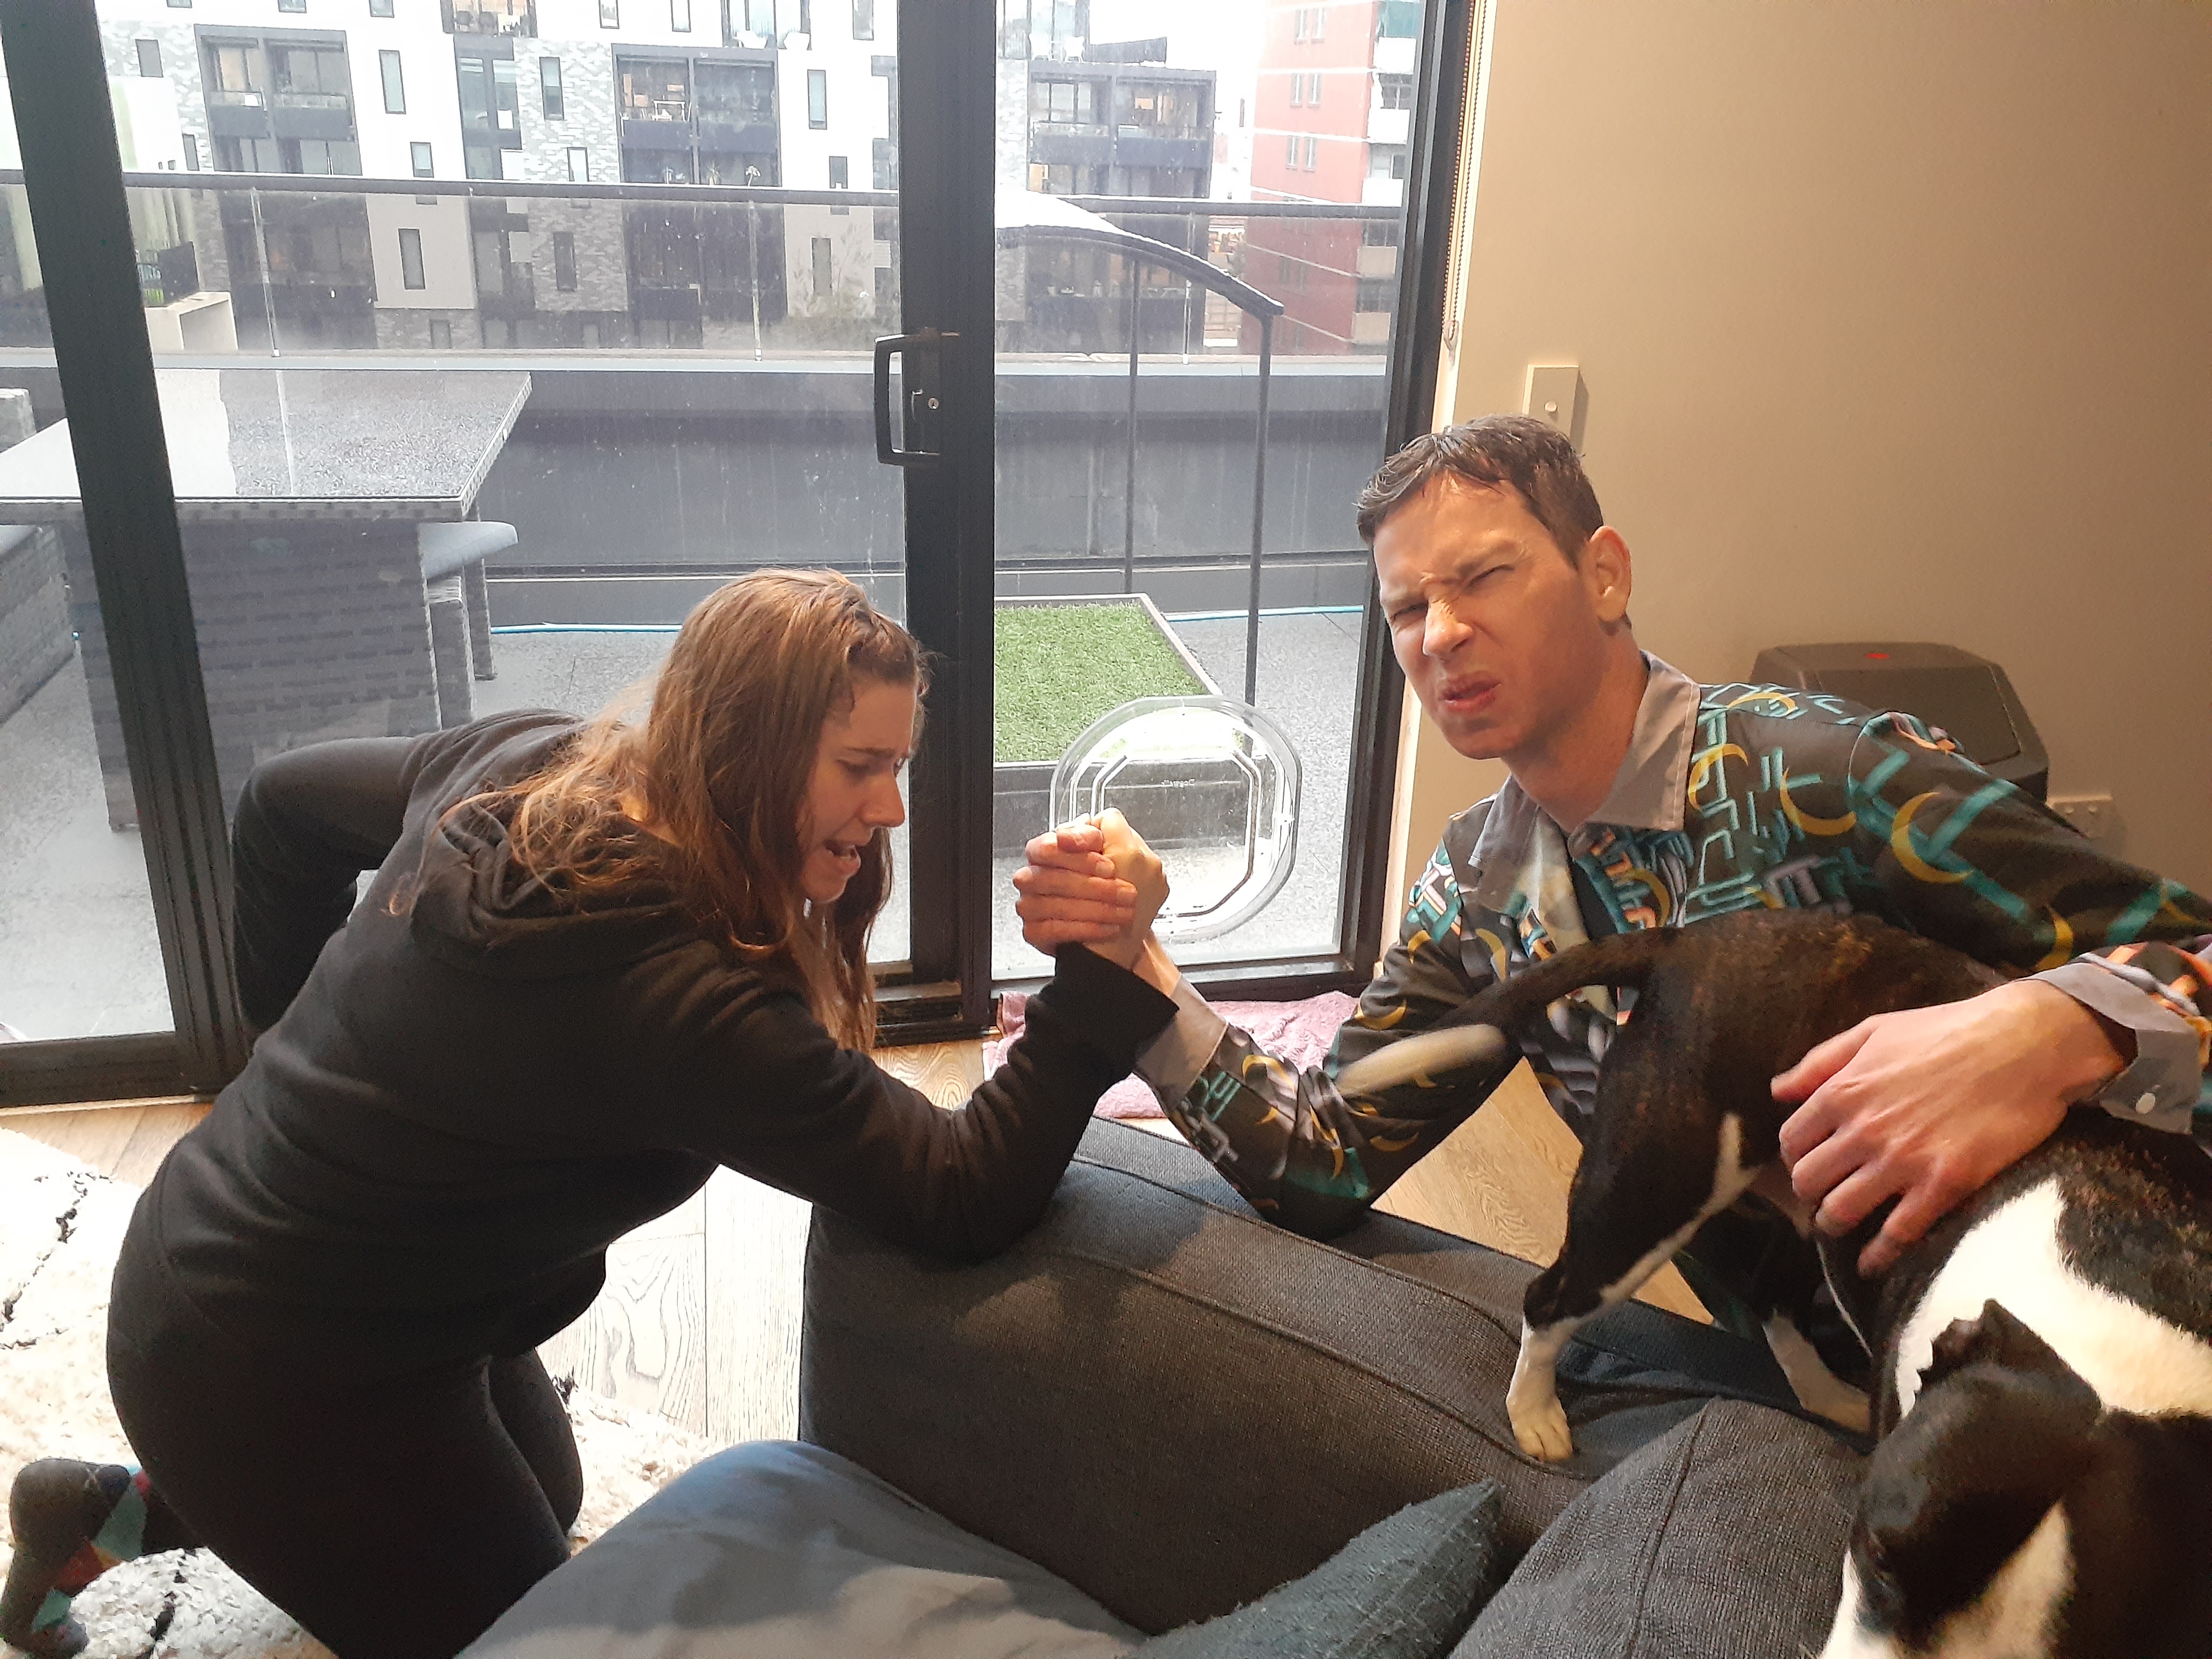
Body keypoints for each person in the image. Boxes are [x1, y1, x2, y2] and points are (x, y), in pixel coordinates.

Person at [2, 570, 1172, 1659]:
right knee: (529, 1632)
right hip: (257, 1361)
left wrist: (289, 1050)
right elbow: (961, 1191)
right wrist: (1106, 973)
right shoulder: (685, 996)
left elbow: (278, 809)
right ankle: (189, 1495)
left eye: (898, 763)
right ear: (746, 745)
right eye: (862, 766)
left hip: (318, 1280)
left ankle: (114, 1512)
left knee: (549, 1499)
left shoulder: (538, 759)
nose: (894, 808)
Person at [1015, 414, 2210, 1348]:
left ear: (1604, 575)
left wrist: (2058, 1029)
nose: (1440, 635)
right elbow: (1320, 1162)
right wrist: (1138, 966)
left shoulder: (1830, 776)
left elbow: (2190, 950)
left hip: (2123, 1365)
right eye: (1408, 608)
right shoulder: (1479, 891)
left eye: (1483, 577)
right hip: (1834, 1406)